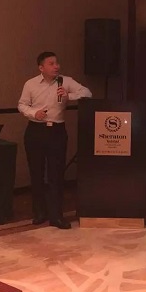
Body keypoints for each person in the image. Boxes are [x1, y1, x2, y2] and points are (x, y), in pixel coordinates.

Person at [18, 51, 92, 229]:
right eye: (51, 63)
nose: (56, 66)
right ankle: (39, 213)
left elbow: (87, 93)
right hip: (35, 130)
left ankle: (56, 215)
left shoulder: (65, 81)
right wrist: (33, 113)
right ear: (41, 67)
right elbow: (22, 104)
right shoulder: (30, 84)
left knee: (56, 174)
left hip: (57, 132)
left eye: (57, 63)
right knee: (36, 173)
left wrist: (69, 96)